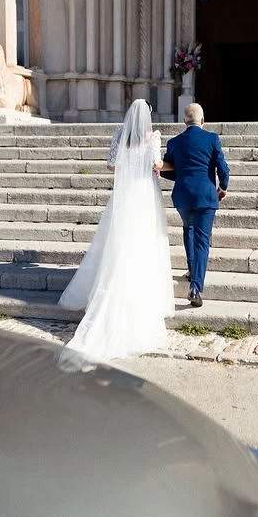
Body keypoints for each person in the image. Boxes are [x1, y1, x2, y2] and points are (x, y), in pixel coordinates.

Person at [59, 99, 175, 360]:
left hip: (124, 197)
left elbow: (111, 164)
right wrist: (166, 166)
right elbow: (157, 164)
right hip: (145, 195)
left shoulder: (119, 136)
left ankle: (111, 290)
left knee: (119, 244)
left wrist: (127, 162)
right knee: (144, 245)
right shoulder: (153, 137)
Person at [161, 103, 229, 308]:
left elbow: (164, 169)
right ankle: (196, 288)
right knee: (201, 240)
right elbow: (223, 168)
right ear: (203, 120)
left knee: (188, 229)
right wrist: (223, 187)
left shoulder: (174, 143)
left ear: (184, 121)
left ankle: (192, 270)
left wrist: (181, 177)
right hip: (206, 196)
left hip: (182, 195)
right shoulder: (211, 139)